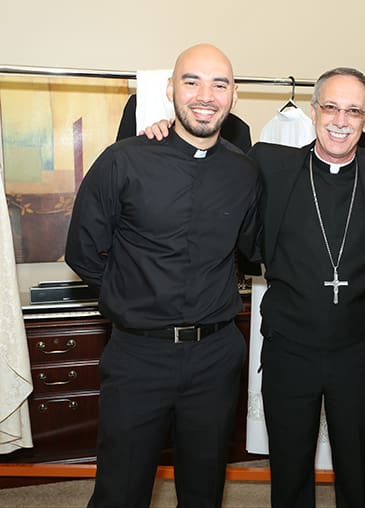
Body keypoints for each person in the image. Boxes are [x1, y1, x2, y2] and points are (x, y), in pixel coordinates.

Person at [144, 67, 365, 508]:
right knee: (290, 471)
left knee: (359, 474)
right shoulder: (271, 164)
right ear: (314, 111)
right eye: (331, 107)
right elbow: (209, 155)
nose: (340, 120)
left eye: (353, 111)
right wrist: (169, 129)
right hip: (289, 350)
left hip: (356, 352)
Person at [65, 43, 261, 508]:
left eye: (220, 84)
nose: (205, 95)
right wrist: (133, 299)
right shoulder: (123, 160)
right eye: (192, 81)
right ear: (170, 89)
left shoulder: (245, 171)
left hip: (215, 356)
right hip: (139, 356)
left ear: (234, 96)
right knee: (121, 489)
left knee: (205, 488)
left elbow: (250, 251)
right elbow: (82, 251)